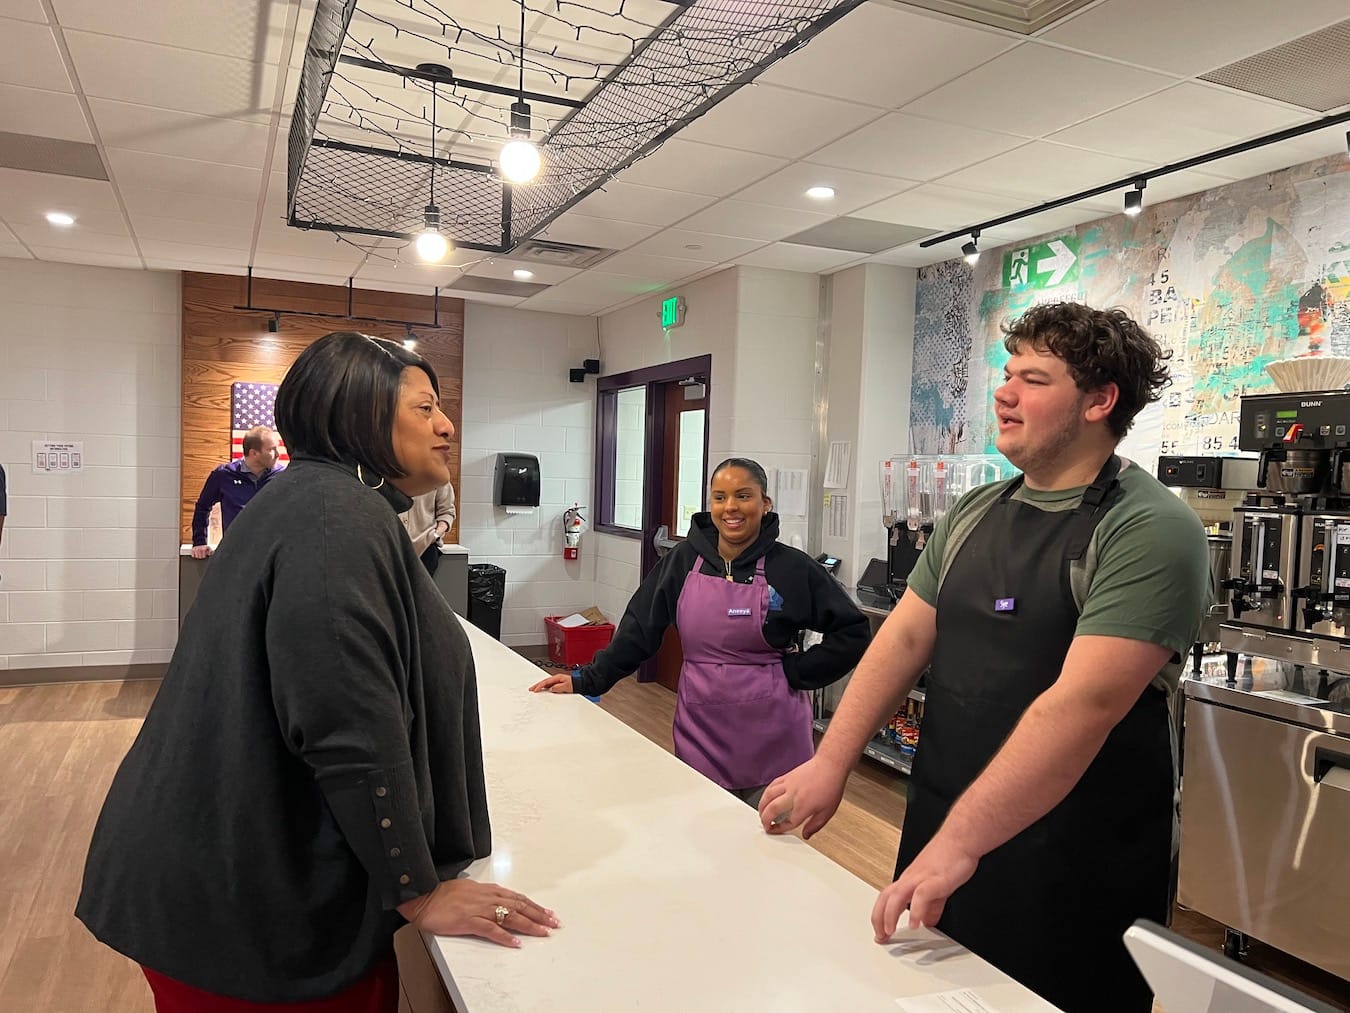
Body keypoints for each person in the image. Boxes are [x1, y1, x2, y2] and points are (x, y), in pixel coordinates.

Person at [77, 332, 557, 1012]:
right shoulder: (337, 517)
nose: (447, 424)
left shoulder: (315, 502)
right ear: (361, 416)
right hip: (245, 915)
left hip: (217, 879)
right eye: (423, 407)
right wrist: (418, 891)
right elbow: (347, 725)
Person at [760, 302, 1209, 1013]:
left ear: (1099, 400)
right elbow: (903, 639)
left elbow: (1082, 706)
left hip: (1076, 860)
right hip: (945, 826)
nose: (1005, 392)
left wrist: (962, 840)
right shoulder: (974, 512)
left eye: (1033, 378)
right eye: (1008, 373)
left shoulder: (1150, 528)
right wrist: (831, 758)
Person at [530, 458, 870, 807]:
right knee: (701, 835)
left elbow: (853, 631)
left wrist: (798, 673)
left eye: (743, 496)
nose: (731, 508)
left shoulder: (793, 568)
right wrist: (587, 680)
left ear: (765, 504)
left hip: (774, 738)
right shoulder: (682, 562)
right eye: (720, 497)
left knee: (765, 848)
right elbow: (639, 628)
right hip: (702, 731)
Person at [189, 425, 282, 558]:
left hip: (272, 556)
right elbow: (202, 507)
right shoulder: (223, 475)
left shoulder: (282, 476)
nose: (278, 454)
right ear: (254, 453)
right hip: (235, 555)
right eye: (272, 449)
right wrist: (199, 541)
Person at [400, 480, 456, 577]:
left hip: (426, 547)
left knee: (420, 591)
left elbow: (447, 512)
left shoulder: (437, 476)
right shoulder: (388, 472)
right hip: (392, 548)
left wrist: (436, 535)